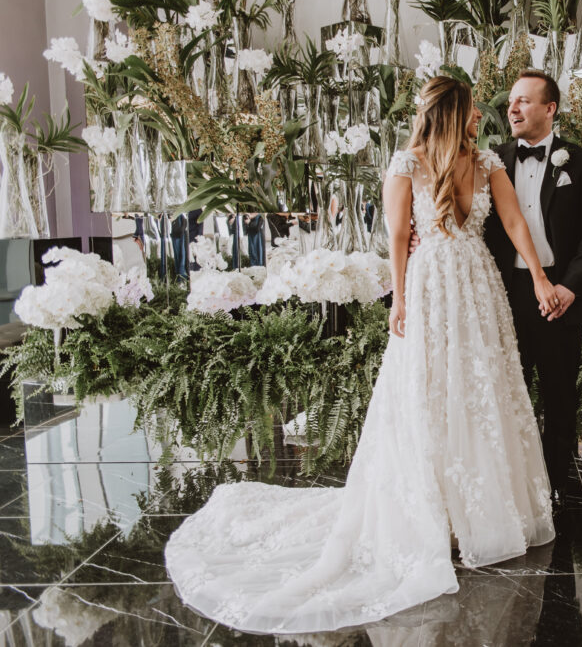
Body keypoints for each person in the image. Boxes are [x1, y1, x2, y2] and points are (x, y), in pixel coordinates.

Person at [164, 76, 558, 634]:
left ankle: (480, 511)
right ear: (451, 111)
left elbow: (514, 221)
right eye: (472, 109)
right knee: (426, 392)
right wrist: (399, 299)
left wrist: (539, 277)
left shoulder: (488, 159)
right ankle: (432, 513)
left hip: (477, 288)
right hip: (427, 288)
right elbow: (398, 238)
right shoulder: (406, 164)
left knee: (479, 388)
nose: (480, 116)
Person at [483, 70, 582, 500]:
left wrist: (570, 287)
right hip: (506, 294)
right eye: (511, 102)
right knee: (508, 394)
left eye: (523, 101)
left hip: (560, 294)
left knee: (559, 397)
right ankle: (513, 488)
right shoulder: (491, 160)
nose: (512, 109)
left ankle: (557, 487)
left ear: (550, 108)